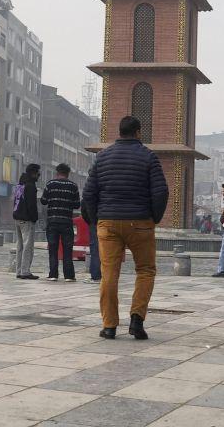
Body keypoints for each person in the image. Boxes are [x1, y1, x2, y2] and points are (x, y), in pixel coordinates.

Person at [82, 115, 168, 340]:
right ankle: (137, 321)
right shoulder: (149, 157)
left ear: (119, 132)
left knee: (109, 273)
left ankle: (109, 325)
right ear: (138, 132)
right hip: (140, 222)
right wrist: (154, 218)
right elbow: (161, 192)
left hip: (108, 223)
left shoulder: (102, 157)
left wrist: (96, 220)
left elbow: (89, 193)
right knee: (145, 270)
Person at [40, 163, 81, 281]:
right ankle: (69, 276)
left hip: (52, 221)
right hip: (67, 222)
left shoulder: (50, 184)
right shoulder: (73, 186)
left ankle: (53, 274)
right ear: (68, 174)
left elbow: (43, 201)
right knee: (68, 249)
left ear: (57, 173)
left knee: (53, 248)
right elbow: (77, 204)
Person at [12, 164, 42, 280]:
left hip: (17, 218)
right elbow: (31, 205)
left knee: (19, 246)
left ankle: (19, 271)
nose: (38, 176)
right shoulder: (30, 186)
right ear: (33, 173)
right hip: (26, 219)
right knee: (27, 246)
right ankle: (25, 271)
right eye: (38, 174)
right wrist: (34, 218)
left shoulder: (20, 185)